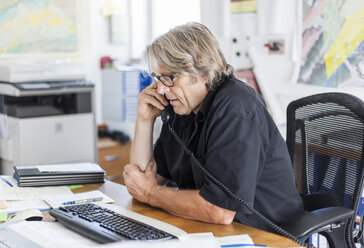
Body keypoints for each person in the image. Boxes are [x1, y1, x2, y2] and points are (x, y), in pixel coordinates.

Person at [123, 22, 303, 231]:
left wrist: (151, 193)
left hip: (264, 234)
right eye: (158, 78)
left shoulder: (237, 108)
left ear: (203, 72)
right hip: (208, 229)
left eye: (170, 77)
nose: (161, 89)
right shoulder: (184, 107)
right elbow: (142, 179)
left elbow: (219, 210)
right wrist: (144, 120)